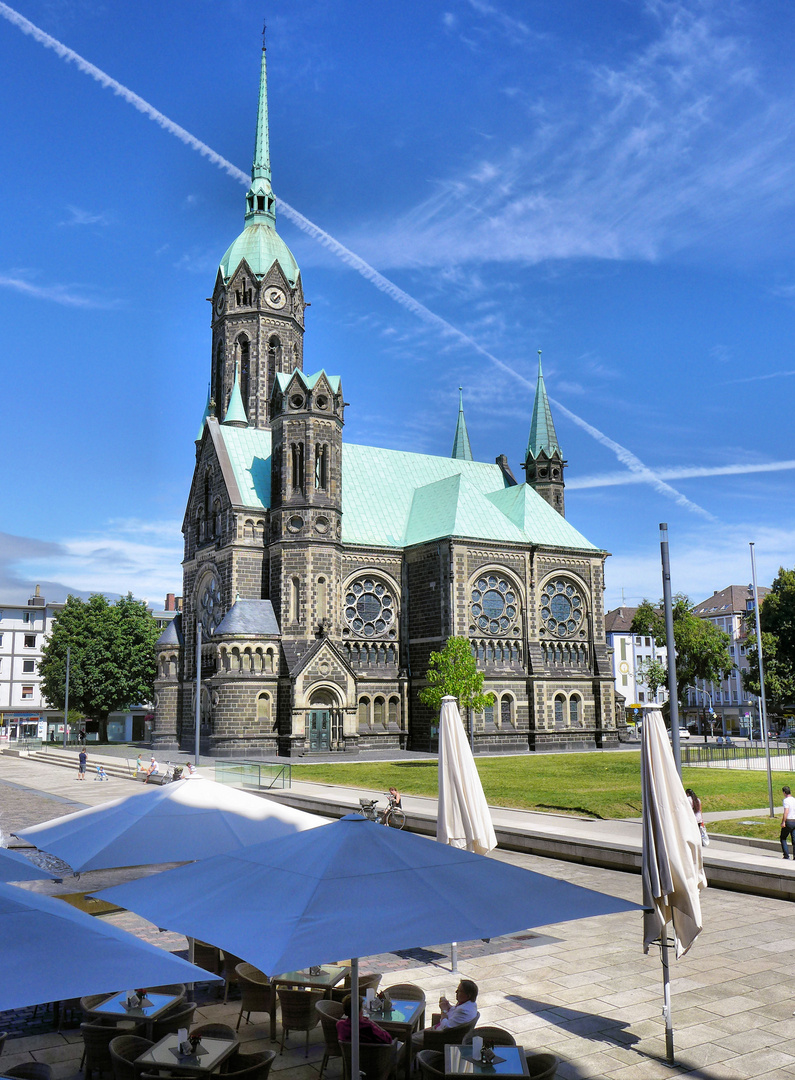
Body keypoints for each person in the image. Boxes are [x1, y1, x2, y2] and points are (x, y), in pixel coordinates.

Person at [411, 980, 478, 1053]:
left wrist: (444, 1010)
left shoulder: (463, 1011)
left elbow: (445, 1027)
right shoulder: (471, 1004)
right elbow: (455, 1012)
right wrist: (448, 1006)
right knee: (413, 1035)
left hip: (439, 1037)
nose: (456, 992)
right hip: (438, 1030)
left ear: (468, 995)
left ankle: (405, 1061)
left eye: (459, 991)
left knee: (411, 1039)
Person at [781, 786, 795, 859]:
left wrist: (783, 821)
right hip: (794, 821)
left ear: (784, 792)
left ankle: (786, 855)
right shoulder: (794, 800)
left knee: (783, 838)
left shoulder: (786, 800)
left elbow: (786, 811)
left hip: (789, 821)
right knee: (794, 839)